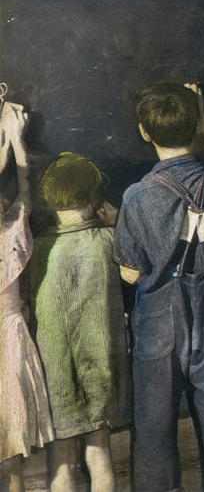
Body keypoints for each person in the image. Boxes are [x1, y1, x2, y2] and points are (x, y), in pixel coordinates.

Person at [114, 82, 204, 492]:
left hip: (158, 321)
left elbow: (131, 274)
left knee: (153, 429)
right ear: (196, 125)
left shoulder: (137, 196)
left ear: (144, 131)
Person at [30, 153, 131, 492]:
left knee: (60, 461)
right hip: (100, 370)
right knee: (99, 455)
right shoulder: (107, 241)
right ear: (92, 198)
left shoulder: (40, 248)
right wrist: (118, 222)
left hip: (55, 373)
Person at [0, 102, 54, 492]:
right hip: (10, 340)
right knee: (14, 443)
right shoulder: (11, 235)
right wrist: (15, 143)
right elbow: (26, 191)